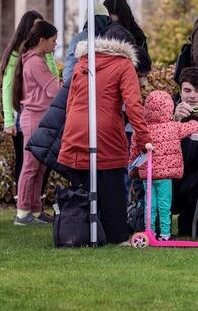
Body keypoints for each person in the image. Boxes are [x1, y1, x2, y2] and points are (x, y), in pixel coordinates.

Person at [58, 32, 151, 245]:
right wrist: (144, 137)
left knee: (82, 188)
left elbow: (70, 101)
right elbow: (133, 105)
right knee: (111, 186)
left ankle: (78, 231)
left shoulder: (84, 61)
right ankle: (116, 236)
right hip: (105, 130)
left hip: (75, 128)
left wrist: (67, 134)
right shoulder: (124, 64)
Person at [0, 10, 59, 193]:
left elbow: (53, 79)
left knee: (41, 163)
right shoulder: (18, 55)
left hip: (42, 112)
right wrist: (9, 119)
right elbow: (7, 86)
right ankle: (23, 203)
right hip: (24, 113)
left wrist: (48, 56)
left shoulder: (41, 56)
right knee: (26, 162)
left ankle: (36, 202)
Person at [130, 91, 198, 241]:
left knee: (150, 205)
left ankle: (150, 232)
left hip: (147, 175)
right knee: (164, 205)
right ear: (169, 108)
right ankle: (165, 234)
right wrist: (196, 123)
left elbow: (134, 153)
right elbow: (191, 127)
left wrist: (132, 171)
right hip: (165, 176)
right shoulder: (173, 127)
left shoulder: (141, 131)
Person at [12, 20, 62, 226]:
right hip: (34, 118)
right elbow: (53, 90)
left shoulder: (37, 59)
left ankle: (35, 209)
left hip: (40, 118)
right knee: (31, 166)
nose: (55, 45)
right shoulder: (34, 62)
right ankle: (23, 212)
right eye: (53, 40)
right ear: (42, 40)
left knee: (40, 167)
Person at [171, 66, 198, 236]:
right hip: (169, 177)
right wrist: (175, 119)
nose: (192, 96)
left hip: (196, 176)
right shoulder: (169, 109)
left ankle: (190, 227)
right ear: (180, 92)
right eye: (187, 90)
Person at [62, 2, 112, 83]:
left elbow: (69, 71)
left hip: (82, 87)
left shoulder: (78, 39)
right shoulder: (115, 37)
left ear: (87, 19)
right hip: (109, 88)